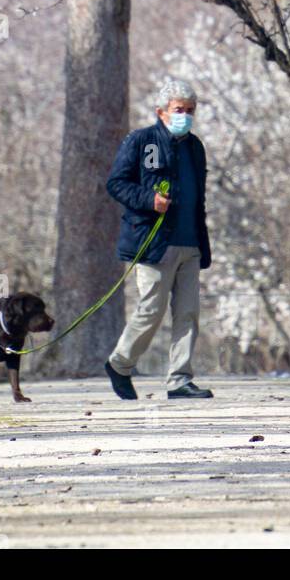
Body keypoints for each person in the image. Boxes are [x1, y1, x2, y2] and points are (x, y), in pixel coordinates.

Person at [104, 76, 213, 401]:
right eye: (180, 109)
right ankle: (120, 364)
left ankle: (179, 380)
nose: (186, 115)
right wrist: (148, 199)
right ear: (161, 111)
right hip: (153, 245)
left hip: (190, 243)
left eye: (191, 110)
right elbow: (117, 183)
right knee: (150, 311)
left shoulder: (195, 147)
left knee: (188, 313)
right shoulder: (140, 141)